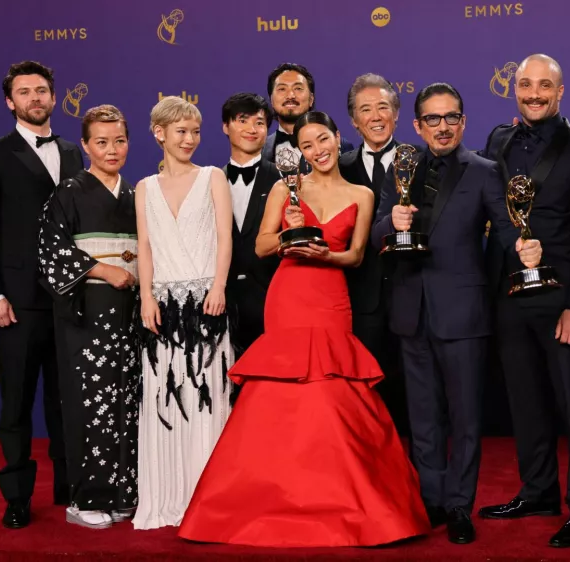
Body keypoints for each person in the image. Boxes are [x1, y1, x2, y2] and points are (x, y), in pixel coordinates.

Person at [178, 111, 430, 548]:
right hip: (289, 297)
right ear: (300, 152)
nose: (318, 150)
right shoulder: (285, 187)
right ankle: (265, 500)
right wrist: (288, 236)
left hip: (331, 296)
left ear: (337, 138)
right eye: (308, 145)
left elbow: (354, 256)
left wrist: (325, 257)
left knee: (334, 393)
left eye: (324, 140)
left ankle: (349, 504)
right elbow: (259, 245)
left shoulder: (363, 194)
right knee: (281, 397)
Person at [371, 83, 543, 544]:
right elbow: (376, 233)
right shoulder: (400, 168)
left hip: (463, 311)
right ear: (417, 125)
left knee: (466, 418)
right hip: (411, 311)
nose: (442, 127)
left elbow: (508, 231)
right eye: (432, 118)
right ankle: (432, 500)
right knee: (423, 417)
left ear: (463, 122)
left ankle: (459, 505)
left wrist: (527, 251)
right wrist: (392, 225)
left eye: (450, 118)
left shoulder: (486, 171)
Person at [477, 54, 570, 548]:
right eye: (525, 84)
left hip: (562, 300)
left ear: (560, 92)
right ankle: (537, 491)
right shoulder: (498, 142)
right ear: (515, 89)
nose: (534, 93)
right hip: (510, 295)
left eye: (544, 86)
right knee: (525, 402)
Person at [0, 60, 84, 529]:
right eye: (24, 91)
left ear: (54, 98)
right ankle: (17, 497)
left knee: (66, 400)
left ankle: (70, 488)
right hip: (16, 301)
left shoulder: (75, 152)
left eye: (42, 90)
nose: (35, 98)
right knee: (15, 404)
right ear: (10, 101)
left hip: (71, 299)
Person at [36, 105, 141, 529]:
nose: (111, 150)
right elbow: (51, 251)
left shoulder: (135, 194)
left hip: (130, 315)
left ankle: (121, 493)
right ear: (85, 145)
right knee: (89, 403)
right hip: (88, 314)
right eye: (101, 142)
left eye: (118, 140)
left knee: (126, 402)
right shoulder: (69, 192)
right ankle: (84, 498)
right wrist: (104, 269)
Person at [132, 96, 234, 530]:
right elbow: (146, 247)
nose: (190, 139)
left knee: (207, 398)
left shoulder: (213, 177)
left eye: (195, 131)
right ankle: (170, 497)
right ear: (159, 133)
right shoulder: (143, 187)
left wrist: (218, 287)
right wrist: (146, 299)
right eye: (181, 132)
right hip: (163, 310)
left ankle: (209, 497)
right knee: (165, 400)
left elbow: (225, 240)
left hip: (206, 304)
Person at [338, 74, 409, 435]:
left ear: (396, 114)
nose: (376, 116)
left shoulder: (420, 160)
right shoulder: (338, 167)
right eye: (366, 109)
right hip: (358, 302)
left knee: (414, 400)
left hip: (413, 298)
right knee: (364, 400)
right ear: (354, 120)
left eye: (383, 106)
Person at [219, 93, 281, 403]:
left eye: (259, 122)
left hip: (272, 299)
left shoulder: (285, 179)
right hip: (222, 303)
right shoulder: (209, 181)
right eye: (242, 121)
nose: (251, 129)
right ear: (225, 127)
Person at [260, 63, 354, 166]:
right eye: (282, 89)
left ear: (311, 99)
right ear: (271, 100)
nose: (290, 95)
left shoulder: (342, 147)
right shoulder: (259, 150)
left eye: (298, 88)